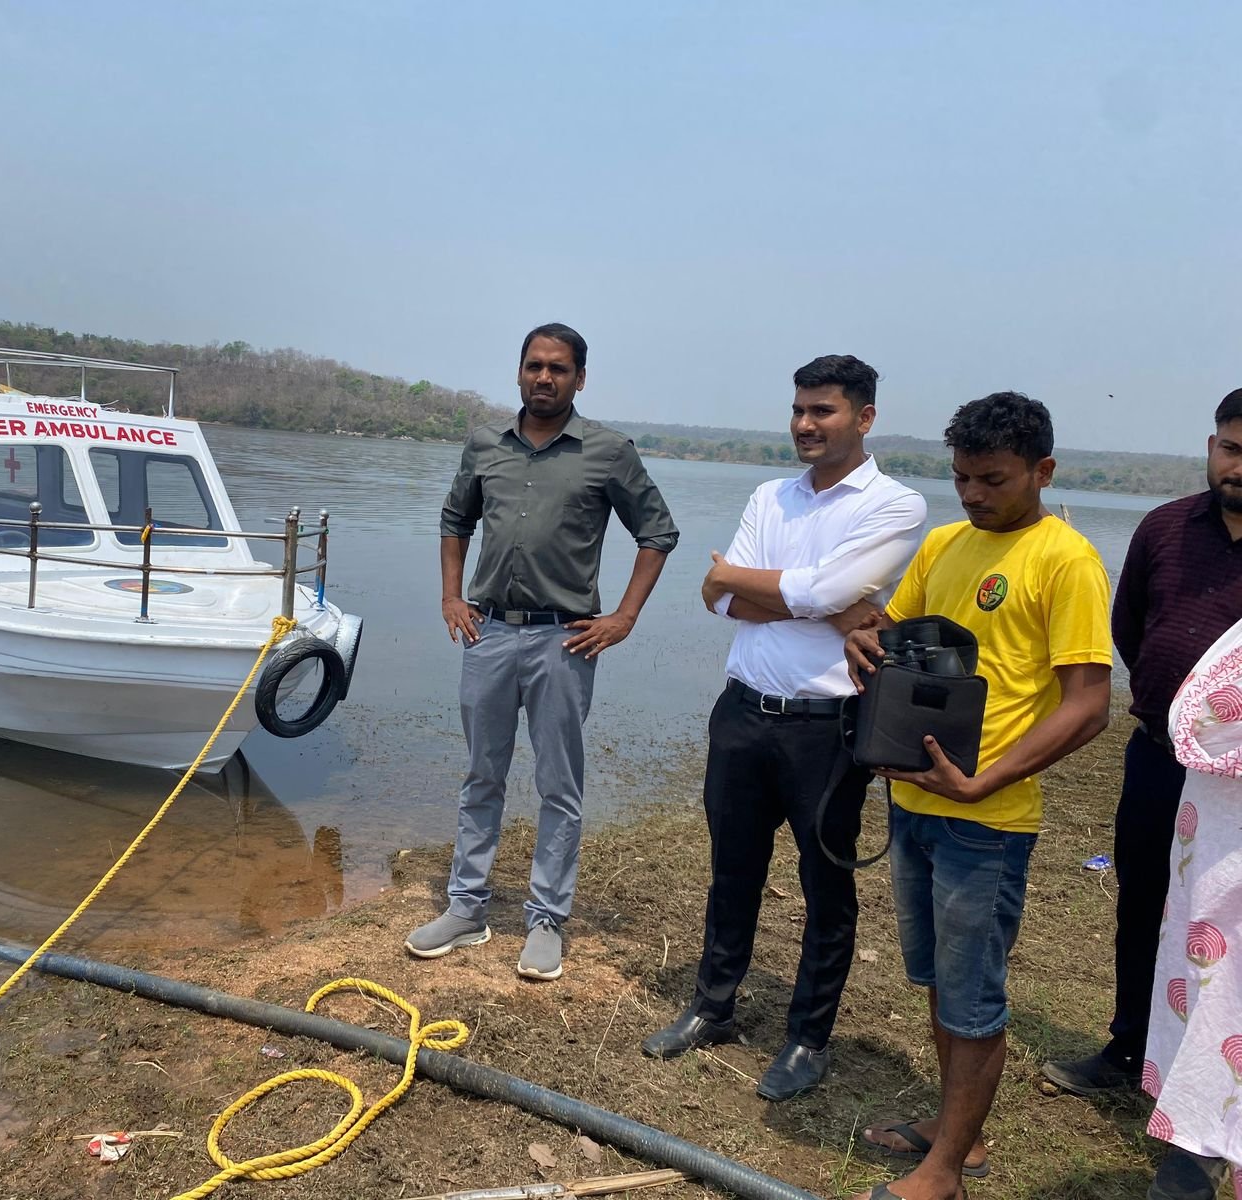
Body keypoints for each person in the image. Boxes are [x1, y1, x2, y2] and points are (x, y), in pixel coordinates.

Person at [639, 355, 928, 1104]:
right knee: (732, 870)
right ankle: (713, 1005)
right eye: (799, 409)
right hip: (742, 712)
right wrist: (793, 598)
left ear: (863, 418)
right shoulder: (771, 494)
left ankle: (808, 1037)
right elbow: (718, 598)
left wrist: (753, 582)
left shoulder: (895, 506)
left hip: (826, 728)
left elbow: (813, 588)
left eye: (823, 411)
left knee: (825, 883)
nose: (805, 424)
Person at [844, 392, 1112, 1200]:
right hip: (916, 806)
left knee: (971, 994)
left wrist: (987, 778)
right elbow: (892, 626)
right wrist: (867, 639)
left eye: (991, 479)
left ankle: (946, 1170)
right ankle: (958, 1131)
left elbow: (1088, 704)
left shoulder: (1065, 562)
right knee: (937, 982)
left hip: (986, 821)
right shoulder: (944, 544)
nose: (972, 494)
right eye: (961, 477)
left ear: (1043, 471)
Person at [404, 323, 679, 981]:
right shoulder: (484, 446)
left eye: (558, 368)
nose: (544, 378)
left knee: (559, 784)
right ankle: (465, 908)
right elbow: (454, 521)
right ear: (519, 372)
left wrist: (625, 617)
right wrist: (451, 596)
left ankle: (547, 919)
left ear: (580, 378)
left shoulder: (608, 451)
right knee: (482, 775)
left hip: (565, 639)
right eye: (534, 366)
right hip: (489, 632)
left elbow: (658, 533)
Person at [1043, 389, 1242, 1097]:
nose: (1237, 466)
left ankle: (1214, 1079)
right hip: (1158, 756)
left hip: (1237, 783)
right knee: (1145, 902)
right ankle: (1131, 1052)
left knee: (1226, 923)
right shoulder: (1164, 527)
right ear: (1212, 445)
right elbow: (1129, 630)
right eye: (1231, 448)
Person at [1139, 612, 1242, 1200]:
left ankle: (1202, 1144)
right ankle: (1201, 1142)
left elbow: (1197, 716)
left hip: (1215, 845)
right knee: (1213, 983)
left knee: (1216, 987)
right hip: (1215, 844)